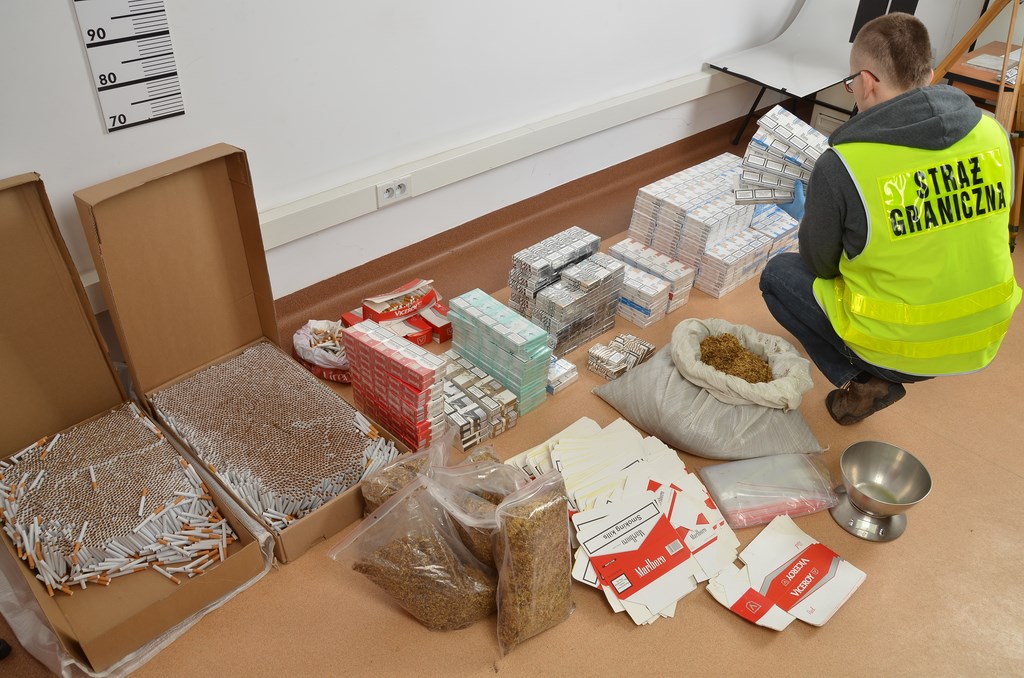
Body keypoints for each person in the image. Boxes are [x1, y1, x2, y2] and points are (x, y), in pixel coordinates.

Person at [759, 12, 1021, 425]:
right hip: (982, 339)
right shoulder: (993, 132)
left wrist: (815, 216)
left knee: (778, 275)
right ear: (929, 75)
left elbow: (820, 266)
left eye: (851, 83)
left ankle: (866, 378)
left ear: (866, 81)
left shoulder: (844, 163)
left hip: (896, 346)